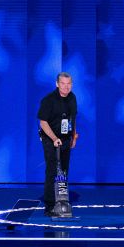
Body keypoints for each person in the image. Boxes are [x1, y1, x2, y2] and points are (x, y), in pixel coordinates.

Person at [37, 72, 79, 214]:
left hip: (66, 139)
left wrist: (73, 137)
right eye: (63, 84)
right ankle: (49, 206)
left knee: (64, 171)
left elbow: (73, 119)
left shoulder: (72, 98)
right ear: (57, 84)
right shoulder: (48, 100)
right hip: (50, 139)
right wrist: (54, 138)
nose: (66, 87)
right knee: (53, 171)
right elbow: (43, 122)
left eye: (69, 84)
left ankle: (61, 201)